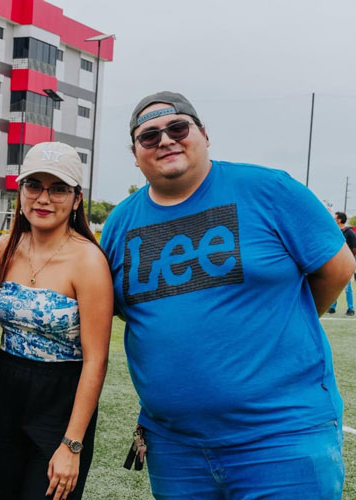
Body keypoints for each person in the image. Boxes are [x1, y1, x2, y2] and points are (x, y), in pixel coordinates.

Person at [101, 91, 354, 499]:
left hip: (281, 437)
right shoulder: (120, 222)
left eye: (177, 127)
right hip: (174, 446)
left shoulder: (268, 189)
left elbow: (337, 269)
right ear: (135, 154)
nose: (165, 140)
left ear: (203, 134)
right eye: (149, 136)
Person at [0, 142, 112, 500]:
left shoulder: (89, 261)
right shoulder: (3, 249)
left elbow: (96, 359)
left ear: (77, 198)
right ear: (20, 191)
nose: (43, 198)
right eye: (34, 185)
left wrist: (72, 443)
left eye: (58, 189)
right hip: (2, 392)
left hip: (61, 399)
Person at [328, 211, 356, 315]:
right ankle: (332, 307)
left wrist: (350, 261)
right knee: (333, 286)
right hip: (335, 263)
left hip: (346, 264)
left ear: (339, 220)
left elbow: (354, 248)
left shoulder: (350, 233)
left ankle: (351, 309)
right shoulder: (334, 231)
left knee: (347, 288)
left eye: (335, 218)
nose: (333, 220)